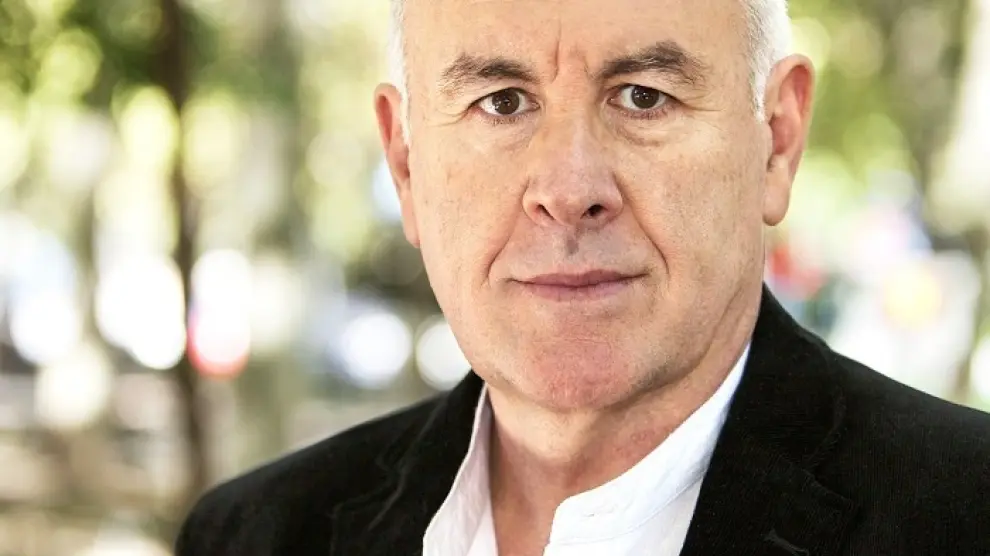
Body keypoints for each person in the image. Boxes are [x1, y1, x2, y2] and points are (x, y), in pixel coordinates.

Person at [174, 0, 990, 554]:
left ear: (776, 140)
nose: (568, 191)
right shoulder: (254, 535)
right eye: (502, 102)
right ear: (406, 164)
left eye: (643, 97)